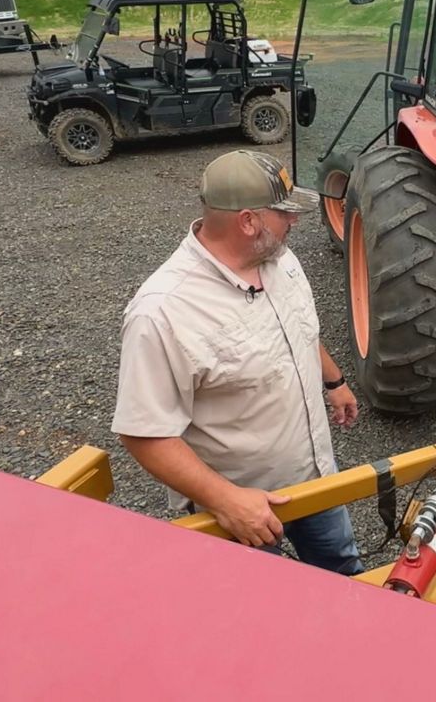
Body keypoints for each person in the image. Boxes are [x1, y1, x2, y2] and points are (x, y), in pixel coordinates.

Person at [111, 149, 364, 574]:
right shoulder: (163, 312)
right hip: (244, 510)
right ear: (248, 222)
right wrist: (225, 501)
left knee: (342, 572)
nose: (294, 222)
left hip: (317, 475)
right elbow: (144, 433)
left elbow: (298, 330)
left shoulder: (279, 262)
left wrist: (334, 381)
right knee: (258, 609)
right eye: (283, 213)